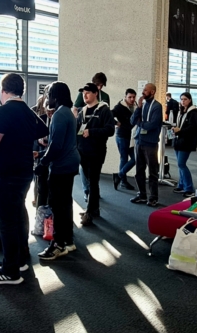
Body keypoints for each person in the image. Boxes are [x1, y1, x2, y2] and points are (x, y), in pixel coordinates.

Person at [0, 73, 45, 284]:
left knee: (6, 222)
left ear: (2, 90)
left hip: (3, 175)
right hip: (23, 172)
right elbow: (43, 131)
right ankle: (18, 260)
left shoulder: (2, 111)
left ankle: (10, 271)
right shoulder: (28, 111)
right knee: (18, 215)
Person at [36, 82, 81, 259]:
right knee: (65, 203)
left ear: (55, 96)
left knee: (57, 205)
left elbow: (56, 146)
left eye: (49, 95)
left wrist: (43, 163)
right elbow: (61, 144)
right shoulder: (67, 113)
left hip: (61, 166)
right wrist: (40, 154)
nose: (47, 99)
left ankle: (58, 244)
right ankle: (68, 241)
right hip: (68, 162)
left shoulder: (60, 114)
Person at [75, 83, 115, 225]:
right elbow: (78, 131)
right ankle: (94, 208)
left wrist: (92, 132)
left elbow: (110, 130)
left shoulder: (104, 110)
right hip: (82, 152)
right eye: (83, 93)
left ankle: (90, 212)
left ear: (95, 93)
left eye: (88, 93)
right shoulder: (82, 111)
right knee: (89, 181)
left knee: (93, 181)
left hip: (96, 152)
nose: (84, 95)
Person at [130, 83, 164, 206]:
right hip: (139, 142)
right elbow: (132, 120)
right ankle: (142, 195)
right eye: (143, 90)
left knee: (152, 172)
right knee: (139, 171)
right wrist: (138, 107)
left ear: (152, 92)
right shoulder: (142, 105)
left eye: (145, 90)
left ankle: (153, 197)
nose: (143, 92)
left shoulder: (157, 107)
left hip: (150, 143)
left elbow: (152, 125)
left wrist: (140, 123)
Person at [172, 92, 197, 197]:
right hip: (178, 140)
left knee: (181, 164)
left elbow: (192, 128)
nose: (183, 101)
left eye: (185, 99)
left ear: (190, 100)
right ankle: (181, 185)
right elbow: (179, 124)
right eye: (181, 99)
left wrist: (180, 130)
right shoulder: (181, 111)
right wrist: (175, 129)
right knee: (180, 165)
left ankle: (189, 188)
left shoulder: (193, 112)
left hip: (186, 142)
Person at [112, 88, 137, 191]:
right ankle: (123, 181)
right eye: (129, 97)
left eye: (133, 97)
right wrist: (116, 123)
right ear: (125, 97)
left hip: (131, 136)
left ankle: (119, 176)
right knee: (124, 158)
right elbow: (109, 115)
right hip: (122, 136)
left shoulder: (135, 106)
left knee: (135, 158)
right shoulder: (119, 107)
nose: (131, 99)